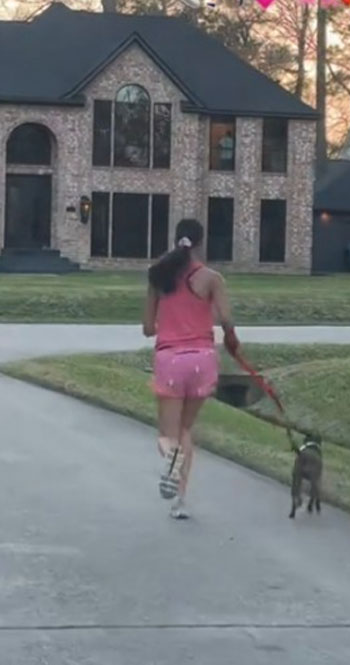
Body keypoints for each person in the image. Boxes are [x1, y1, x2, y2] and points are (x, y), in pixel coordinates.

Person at [143, 218, 239, 520]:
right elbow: (226, 320)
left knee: (168, 434)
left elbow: (147, 328)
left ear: (176, 240)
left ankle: (171, 456)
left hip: (171, 358)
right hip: (203, 359)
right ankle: (180, 501)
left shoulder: (158, 276)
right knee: (186, 429)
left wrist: (166, 323)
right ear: (199, 244)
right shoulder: (211, 278)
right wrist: (233, 343)